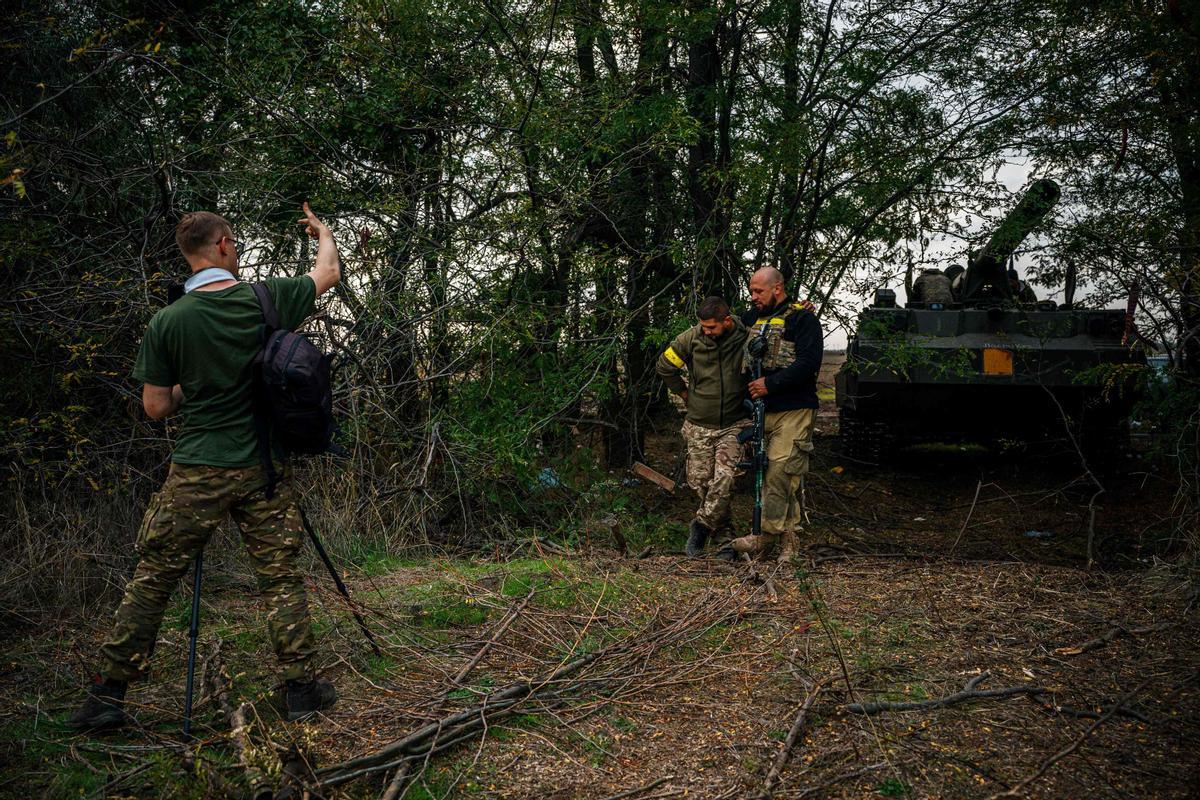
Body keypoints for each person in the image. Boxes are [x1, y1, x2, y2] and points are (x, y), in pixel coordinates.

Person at [67, 204, 342, 731]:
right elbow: (326, 271)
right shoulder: (264, 298)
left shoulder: (168, 322)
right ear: (220, 246)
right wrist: (323, 233)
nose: (235, 251)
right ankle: (302, 690)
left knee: (153, 579)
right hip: (262, 468)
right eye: (233, 243)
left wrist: (191, 385)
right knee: (279, 576)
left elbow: (155, 407)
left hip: (196, 469)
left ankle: (108, 698)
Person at [728, 267, 823, 562]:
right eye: (751, 291)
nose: (753, 297)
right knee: (769, 473)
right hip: (760, 412)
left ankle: (771, 538)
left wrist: (770, 384)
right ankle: (781, 540)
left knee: (782, 470)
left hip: (794, 409)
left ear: (778, 289)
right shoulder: (750, 319)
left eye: (759, 291)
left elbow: (809, 363)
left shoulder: (802, 319)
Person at [655, 296, 750, 557]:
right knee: (700, 482)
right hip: (698, 423)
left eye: (711, 327)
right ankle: (725, 535)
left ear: (727, 321)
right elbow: (664, 366)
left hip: (734, 422)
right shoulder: (690, 338)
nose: (706, 331)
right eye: (703, 327)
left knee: (725, 477)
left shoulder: (745, 335)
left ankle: (701, 527)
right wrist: (683, 393)